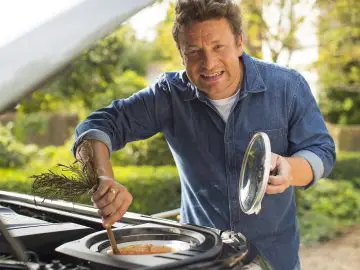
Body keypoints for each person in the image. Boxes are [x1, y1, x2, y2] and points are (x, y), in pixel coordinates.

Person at [73, 0, 336, 269]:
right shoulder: (168, 96)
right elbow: (94, 127)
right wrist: (102, 178)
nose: (208, 63)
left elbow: (321, 151)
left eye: (218, 47)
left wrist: (290, 169)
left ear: (239, 42)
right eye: (195, 51)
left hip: (274, 259)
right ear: (182, 54)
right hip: (200, 260)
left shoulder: (287, 86)